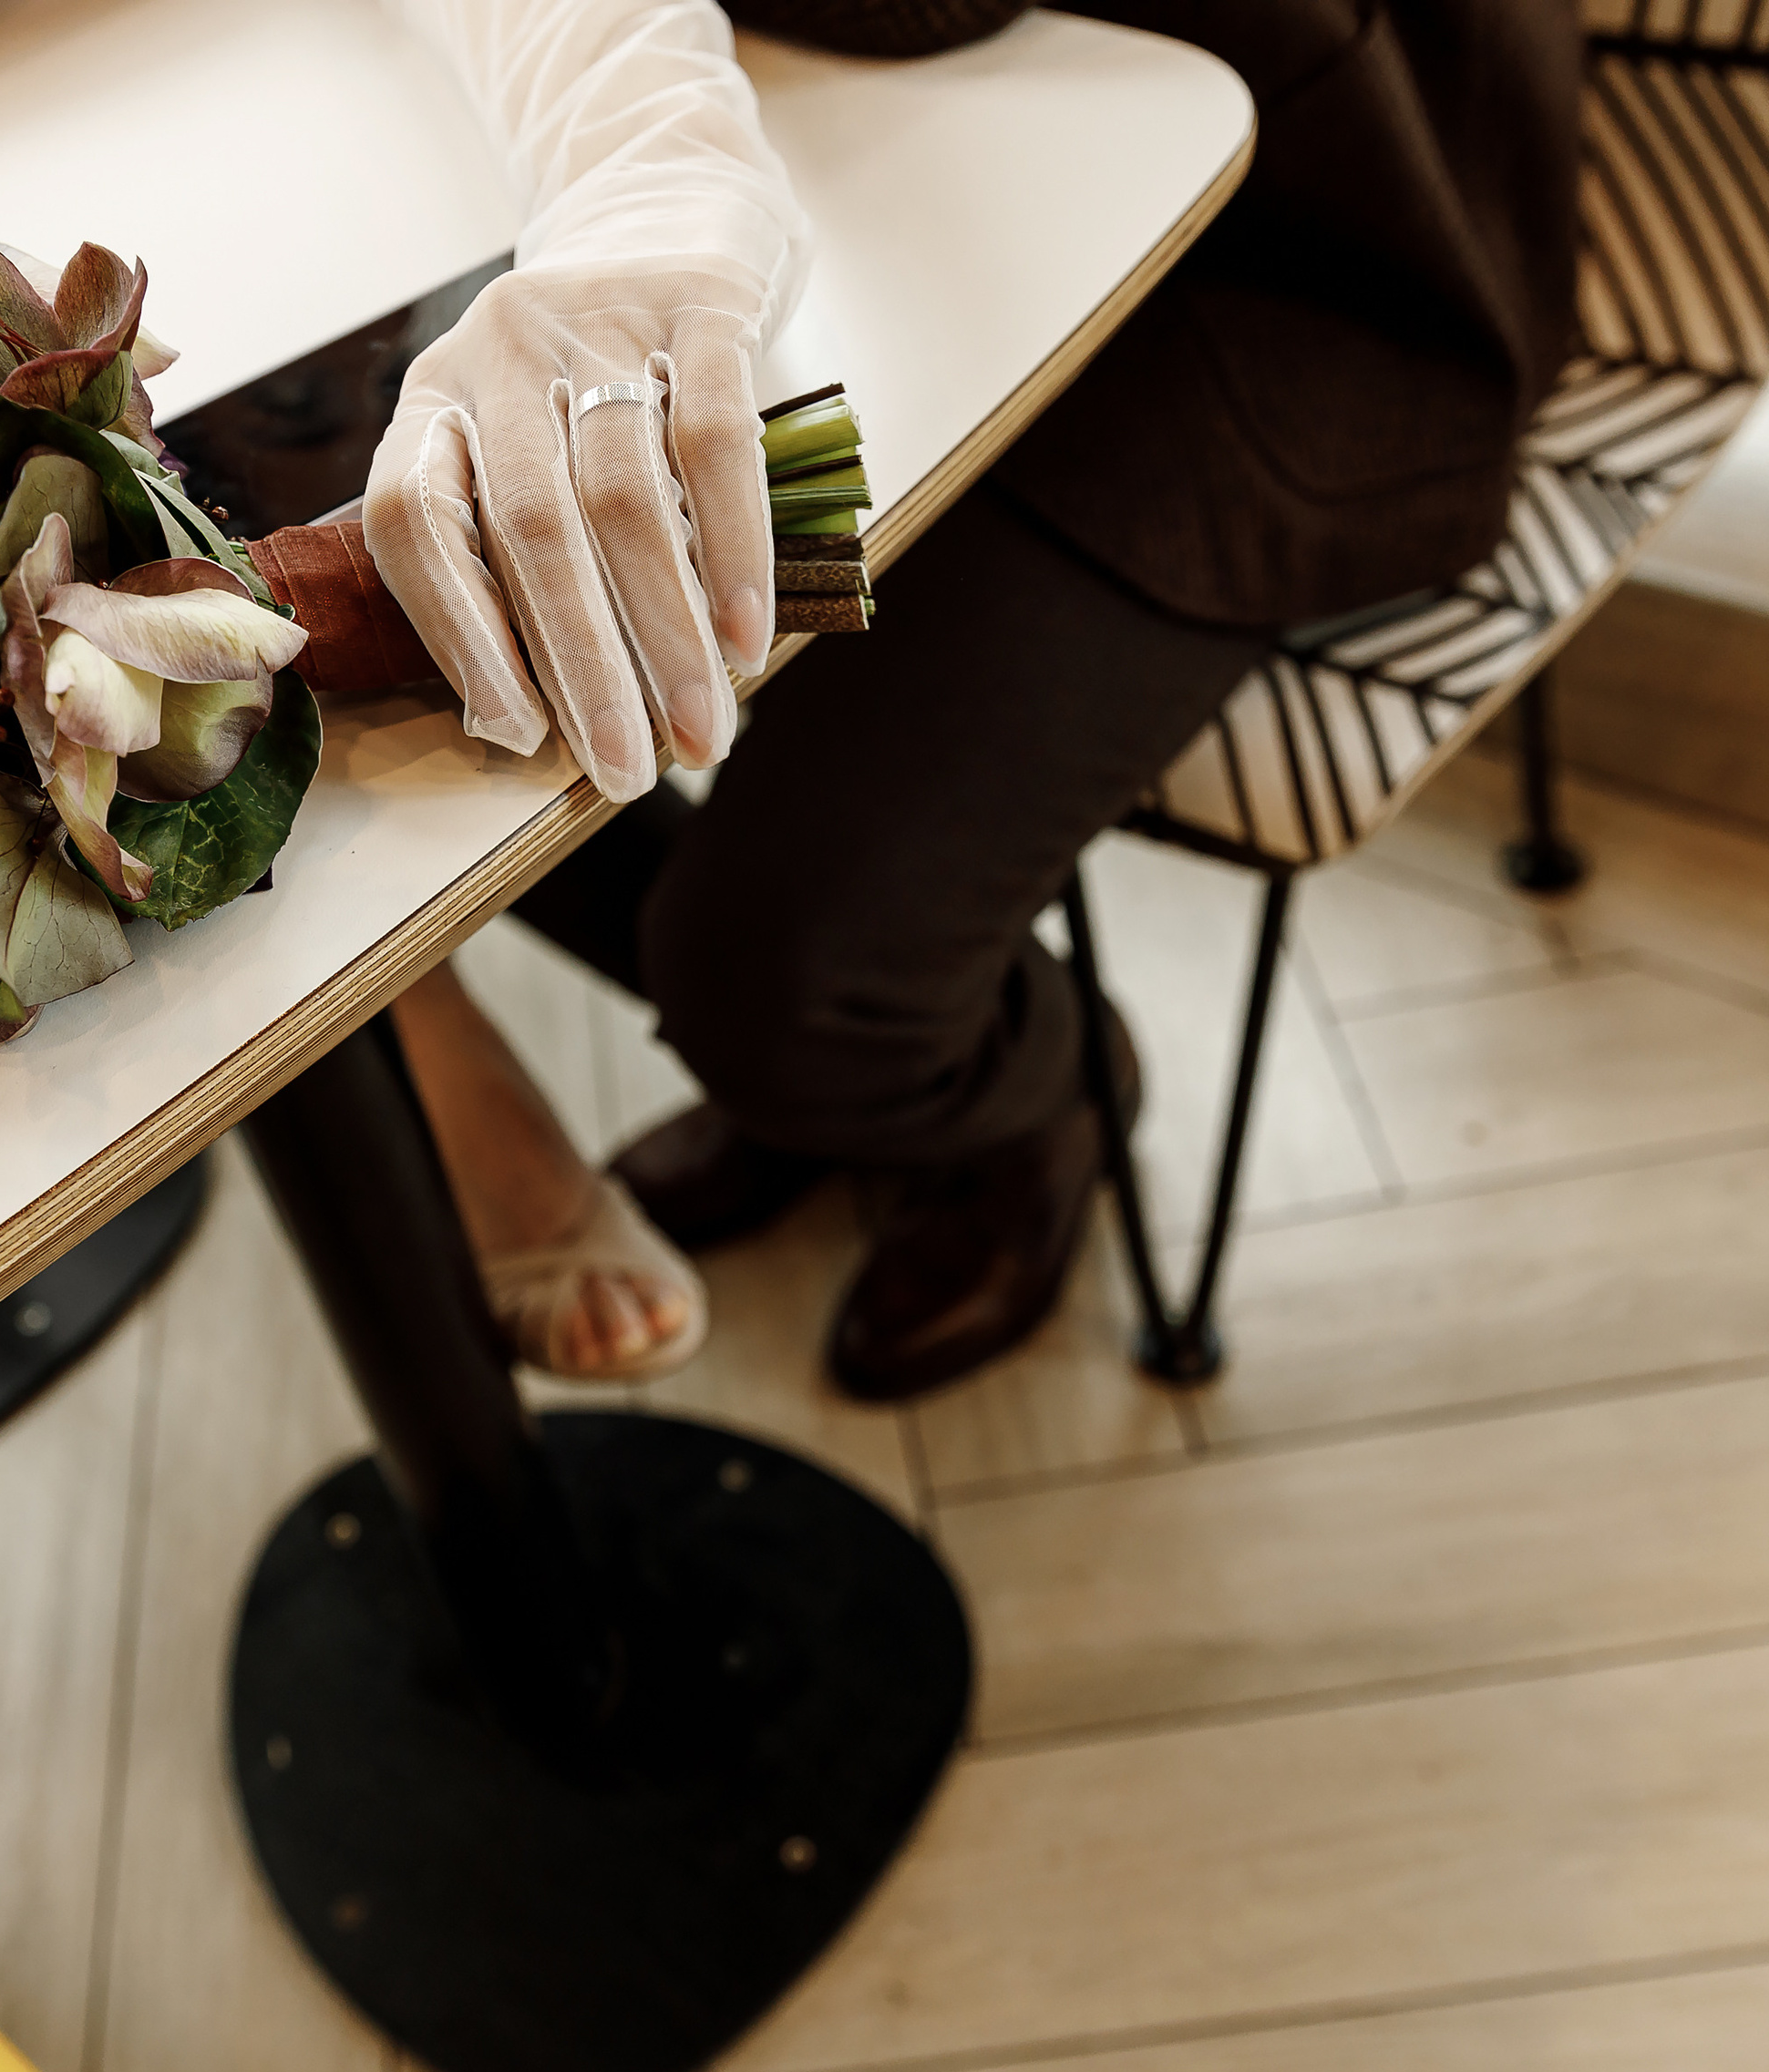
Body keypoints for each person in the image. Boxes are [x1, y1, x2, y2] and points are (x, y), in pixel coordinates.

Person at [368, 0, 1583, 1398]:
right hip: (913, 209)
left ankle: (1027, 1087)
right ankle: (841, 1048)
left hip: (1291, 283)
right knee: (460, 683)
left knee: (772, 972)